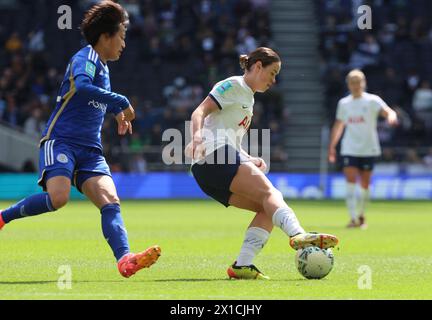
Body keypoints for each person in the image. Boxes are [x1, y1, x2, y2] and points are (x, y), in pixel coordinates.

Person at [0, 1, 160, 278]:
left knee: (110, 199)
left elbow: (97, 101)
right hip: (61, 140)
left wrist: (116, 113)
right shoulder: (84, 58)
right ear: (105, 36)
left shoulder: (105, 68)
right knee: (59, 198)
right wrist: (121, 101)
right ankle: (3, 218)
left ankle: (125, 259)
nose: (123, 43)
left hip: (90, 150)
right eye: (121, 36)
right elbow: (84, 88)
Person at [185, 47, 339, 280]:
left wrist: (247, 157)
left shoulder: (249, 96)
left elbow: (228, 137)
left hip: (208, 171)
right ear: (258, 67)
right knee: (271, 194)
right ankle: (298, 234)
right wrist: (196, 136)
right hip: (213, 155)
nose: (273, 80)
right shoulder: (233, 85)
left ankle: (242, 265)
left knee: (267, 208)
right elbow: (200, 111)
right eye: (272, 72)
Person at [328, 69, 398, 229]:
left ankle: (361, 214)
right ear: (348, 85)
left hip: (369, 148)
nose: (355, 86)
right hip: (349, 148)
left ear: (363, 83)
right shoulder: (344, 103)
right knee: (351, 182)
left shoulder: (372, 101)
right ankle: (353, 218)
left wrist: (391, 117)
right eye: (352, 83)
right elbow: (338, 125)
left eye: (358, 82)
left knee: (365, 185)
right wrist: (332, 146)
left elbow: (388, 111)